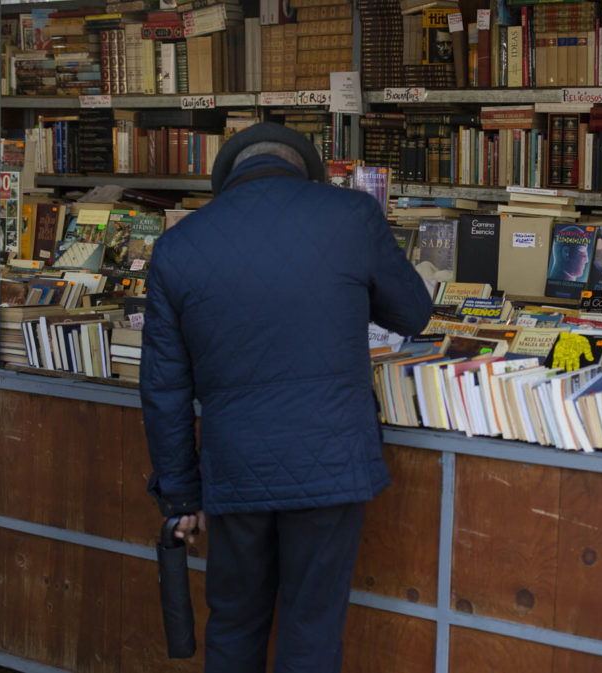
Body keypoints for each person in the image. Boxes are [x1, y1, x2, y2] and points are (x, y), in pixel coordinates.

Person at [140, 123, 433, 673]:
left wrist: (180, 497)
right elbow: (414, 313)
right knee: (312, 628)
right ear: (307, 171)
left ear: (228, 177)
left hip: (234, 468)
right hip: (331, 459)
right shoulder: (350, 216)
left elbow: (163, 387)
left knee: (232, 621)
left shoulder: (177, 246)